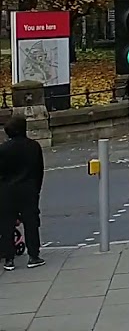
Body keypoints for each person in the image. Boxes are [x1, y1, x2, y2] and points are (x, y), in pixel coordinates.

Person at [0, 115, 45, 270]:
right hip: (28, 189)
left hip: (7, 191)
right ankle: (34, 256)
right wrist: (36, 189)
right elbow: (39, 170)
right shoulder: (34, 147)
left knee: (7, 224)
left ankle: (9, 259)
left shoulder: (3, 149)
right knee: (31, 223)